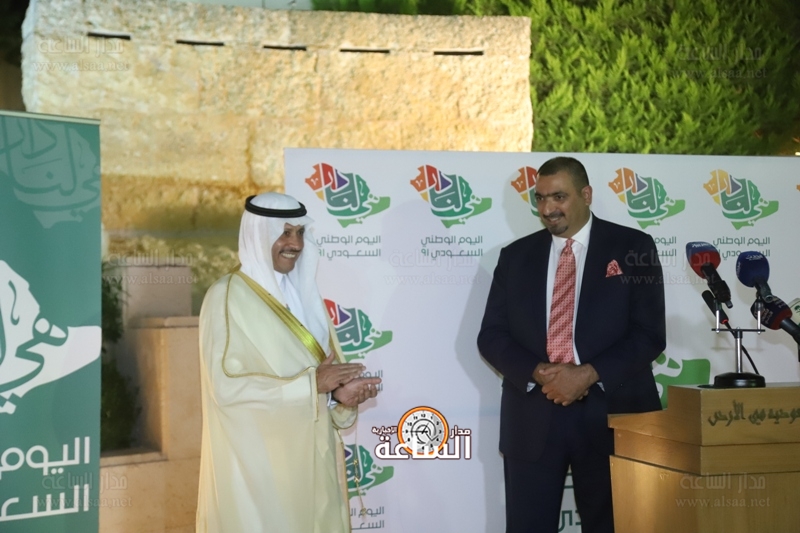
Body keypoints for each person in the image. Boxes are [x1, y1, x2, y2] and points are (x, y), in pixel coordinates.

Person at [477, 157, 666, 533]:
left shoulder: (633, 246)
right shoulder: (515, 257)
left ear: (586, 195)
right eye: (540, 198)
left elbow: (649, 334)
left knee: (617, 525)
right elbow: (491, 335)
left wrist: (587, 375)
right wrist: (540, 373)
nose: (548, 208)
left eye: (559, 197)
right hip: (533, 416)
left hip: (613, 414)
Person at [197, 192, 381, 533]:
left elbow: (321, 380)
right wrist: (312, 385)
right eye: (284, 233)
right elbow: (225, 388)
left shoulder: (304, 296)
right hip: (259, 472)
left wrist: (338, 396)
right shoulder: (227, 296)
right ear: (259, 234)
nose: (294, 244)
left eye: (299, 233)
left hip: (314, 462)